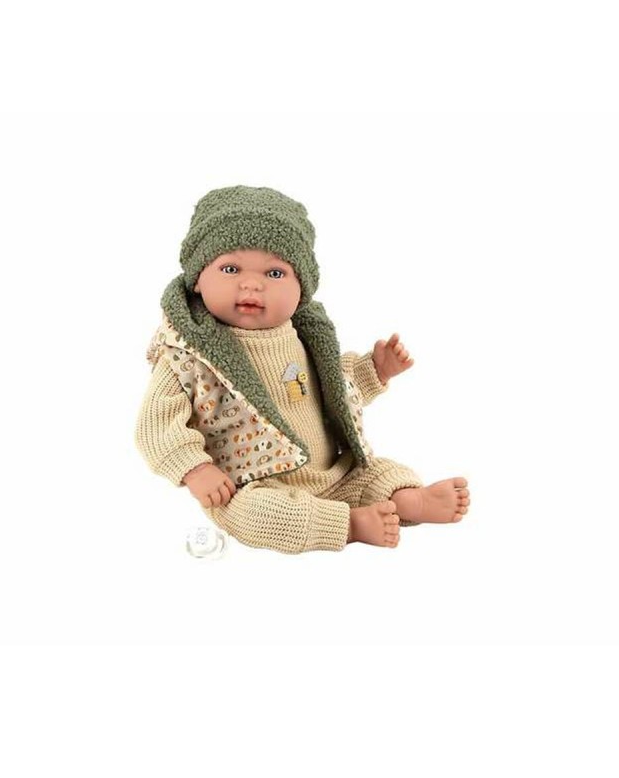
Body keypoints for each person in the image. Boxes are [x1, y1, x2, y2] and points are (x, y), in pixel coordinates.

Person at [135, 186, 470, 554]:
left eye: (275, 272)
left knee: (373, 472)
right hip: (253, 484)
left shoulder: (305, 335)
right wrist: (196, 469)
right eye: (230, 269)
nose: (251, 284)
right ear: (198, 279)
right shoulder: (187, 353)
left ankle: (409, 500)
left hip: (331, 471)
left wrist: (375, 370)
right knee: (257, 516)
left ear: (301, 288)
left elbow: (330, 388)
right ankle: (351, 524)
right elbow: (156, 425)